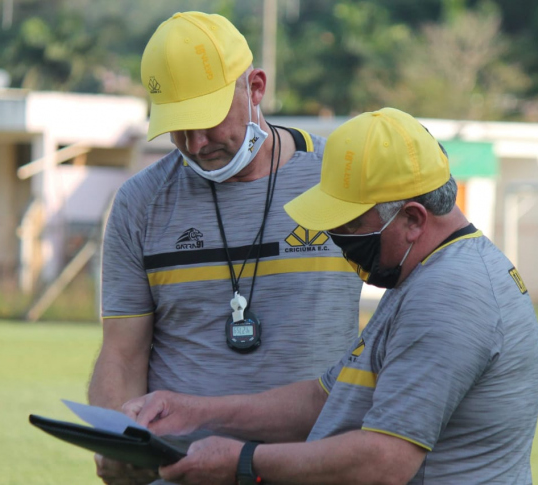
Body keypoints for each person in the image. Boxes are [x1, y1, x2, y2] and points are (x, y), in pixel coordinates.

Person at [123, 107, 538, 485]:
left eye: (350, 222)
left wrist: (243, 461)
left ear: (413, 219)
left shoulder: (448, 295)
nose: (335, 237)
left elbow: (384, 462)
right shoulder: (425, 276)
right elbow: (324, 398)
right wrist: (191, 411)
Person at [88, 11, 362, 484]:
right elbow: (122, 353)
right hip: (183, 472)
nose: (195, 143)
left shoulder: (338, 180)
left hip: (315, 468)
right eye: (177, 127)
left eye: (206, 119)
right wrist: (117, 438)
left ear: (255, 88)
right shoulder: (140, 202)